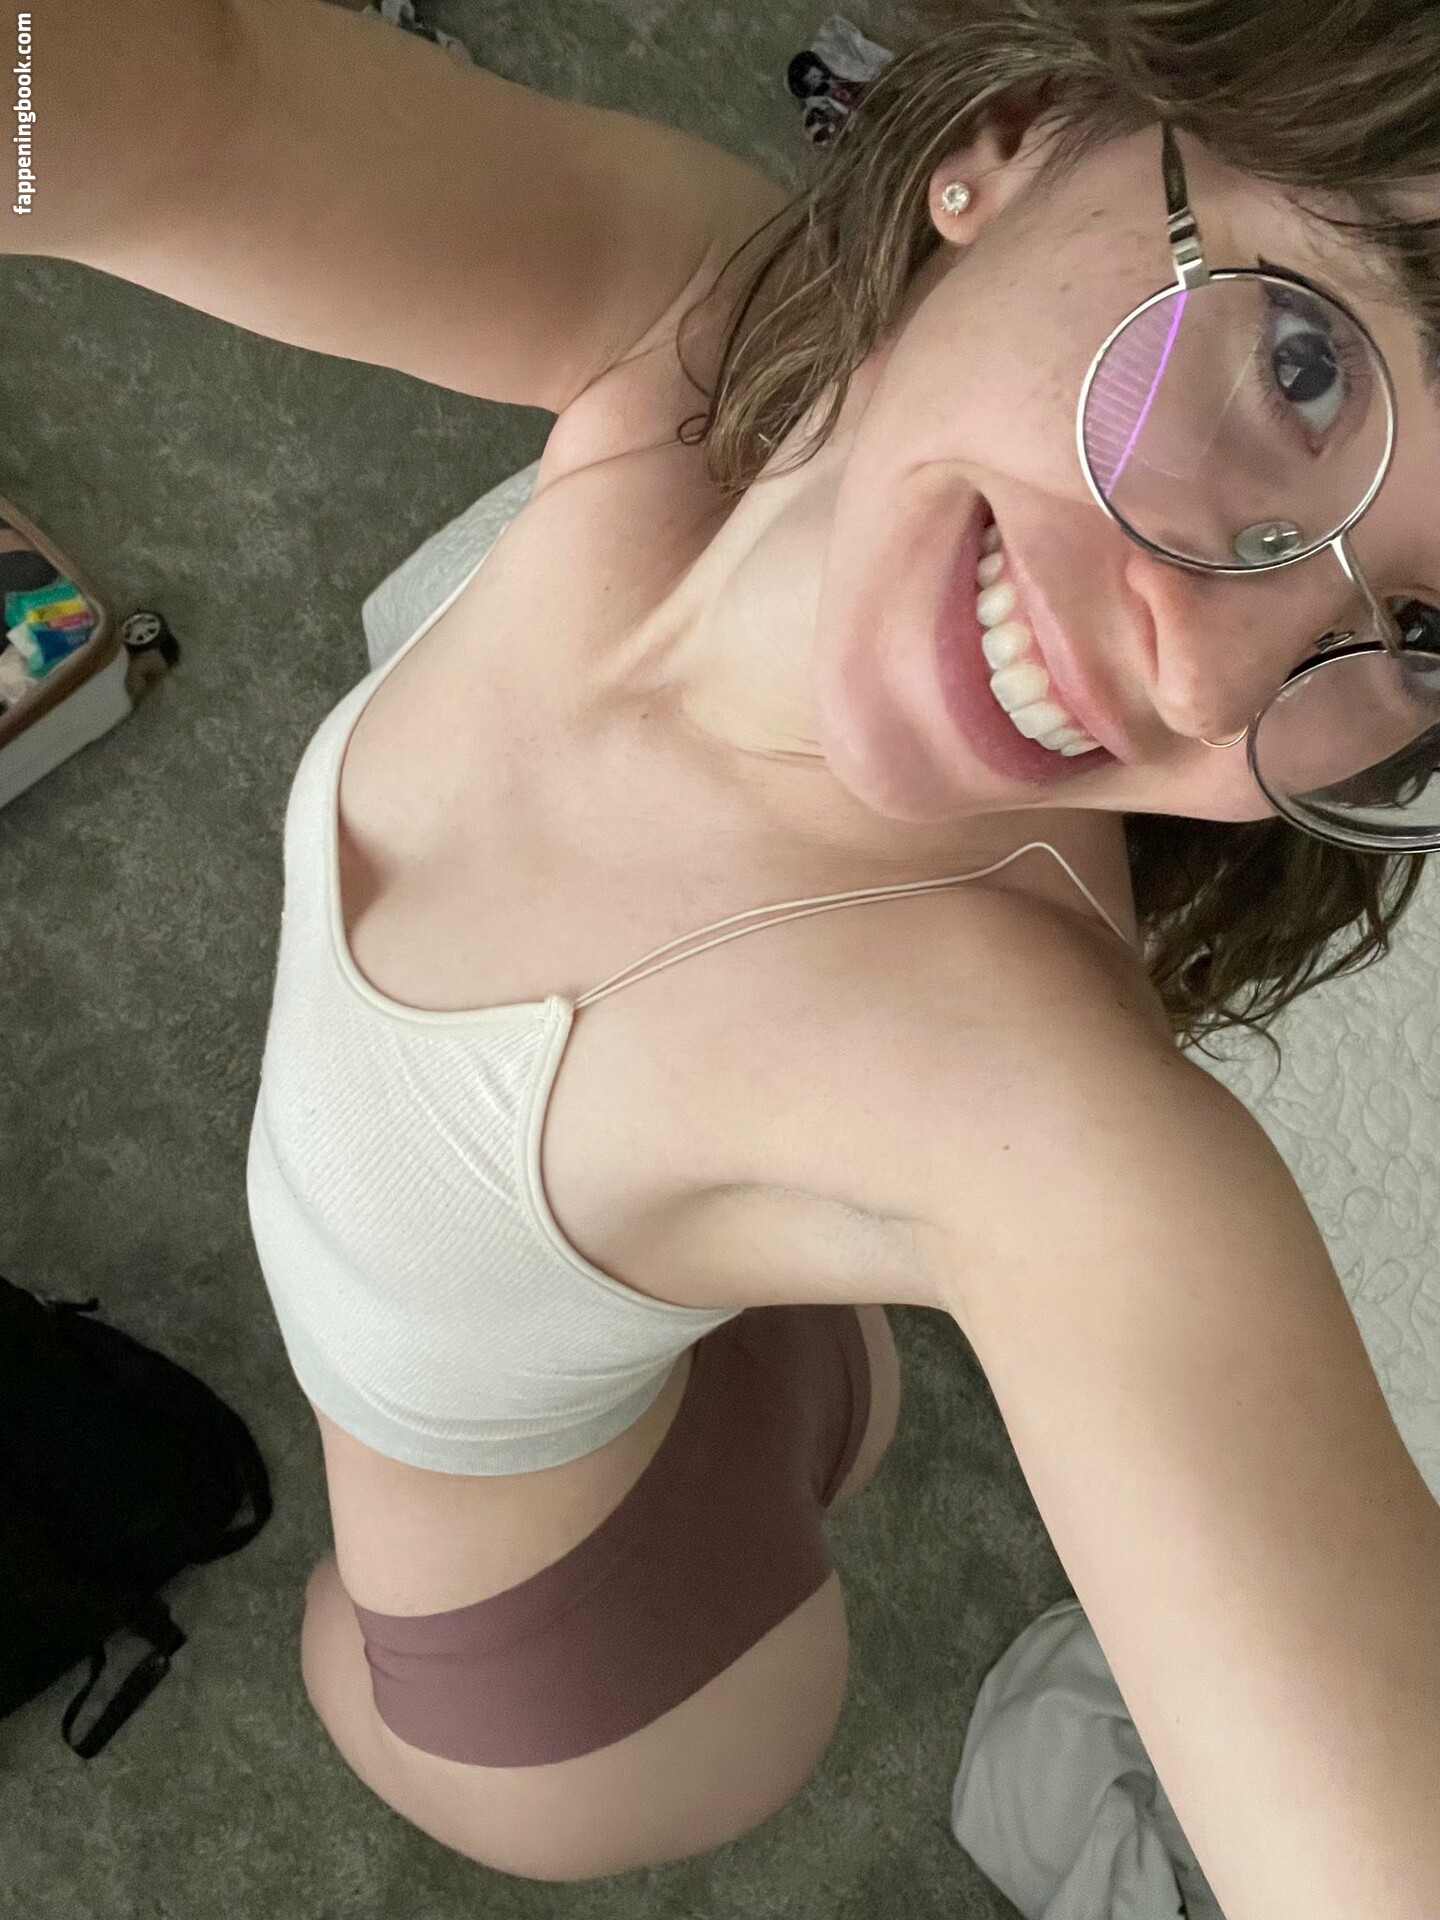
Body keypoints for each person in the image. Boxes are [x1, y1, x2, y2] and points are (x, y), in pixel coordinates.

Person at [11, 0, 1440, 1908]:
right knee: (757, 1363)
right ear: (1015, 137)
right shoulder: (720, 331)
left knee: (347, 1665)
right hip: (748, 1351)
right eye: (1304, 365)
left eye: (1428, 637)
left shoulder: (1039, 1111)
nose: (1212, 673)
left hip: (597, 1677)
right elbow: (190, 105)